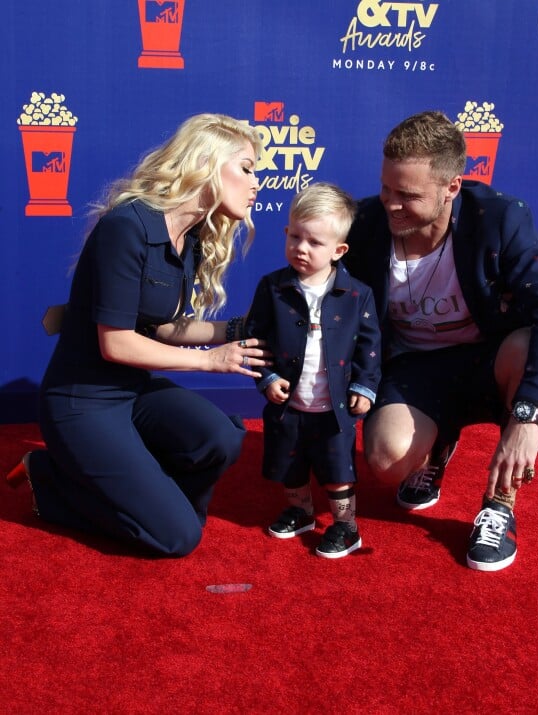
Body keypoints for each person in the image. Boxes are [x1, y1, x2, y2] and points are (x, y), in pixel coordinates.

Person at [6, 113, 272, 557]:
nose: (255, 181)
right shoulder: (127, 226)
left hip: (132, 393)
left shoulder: (190, 236)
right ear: (207, 163)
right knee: (177, 539)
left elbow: (162, 326)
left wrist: (240, 330)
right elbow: (117, 343)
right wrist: (210, 359)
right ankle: (50, 479)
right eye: (246, 167)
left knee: (221, 437)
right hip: (81, 403)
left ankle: (153, 500)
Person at [343, 110, 538, 571]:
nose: (391, 204)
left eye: (408, 195)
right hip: (415, 368)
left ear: (452, 187)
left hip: (489, 362)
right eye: (386, 188)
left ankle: (499, 505)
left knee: (532, 344)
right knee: (387, 459)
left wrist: (529, 416)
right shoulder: (365, 223)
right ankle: (437, 443)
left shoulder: (498, 219)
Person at [245, 183, 381, 558]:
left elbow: (370, 347)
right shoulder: (273, 288)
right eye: (295, 237)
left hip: (333, 408)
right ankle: (301, 511)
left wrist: (366, 388)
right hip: (289, 405)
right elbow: (256, 339)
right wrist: (268, 378)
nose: (301, 248)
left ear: (339, 250)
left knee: (338, 473)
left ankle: (345, 526)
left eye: (315, 242)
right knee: (290, 466)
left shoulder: (357, 294)